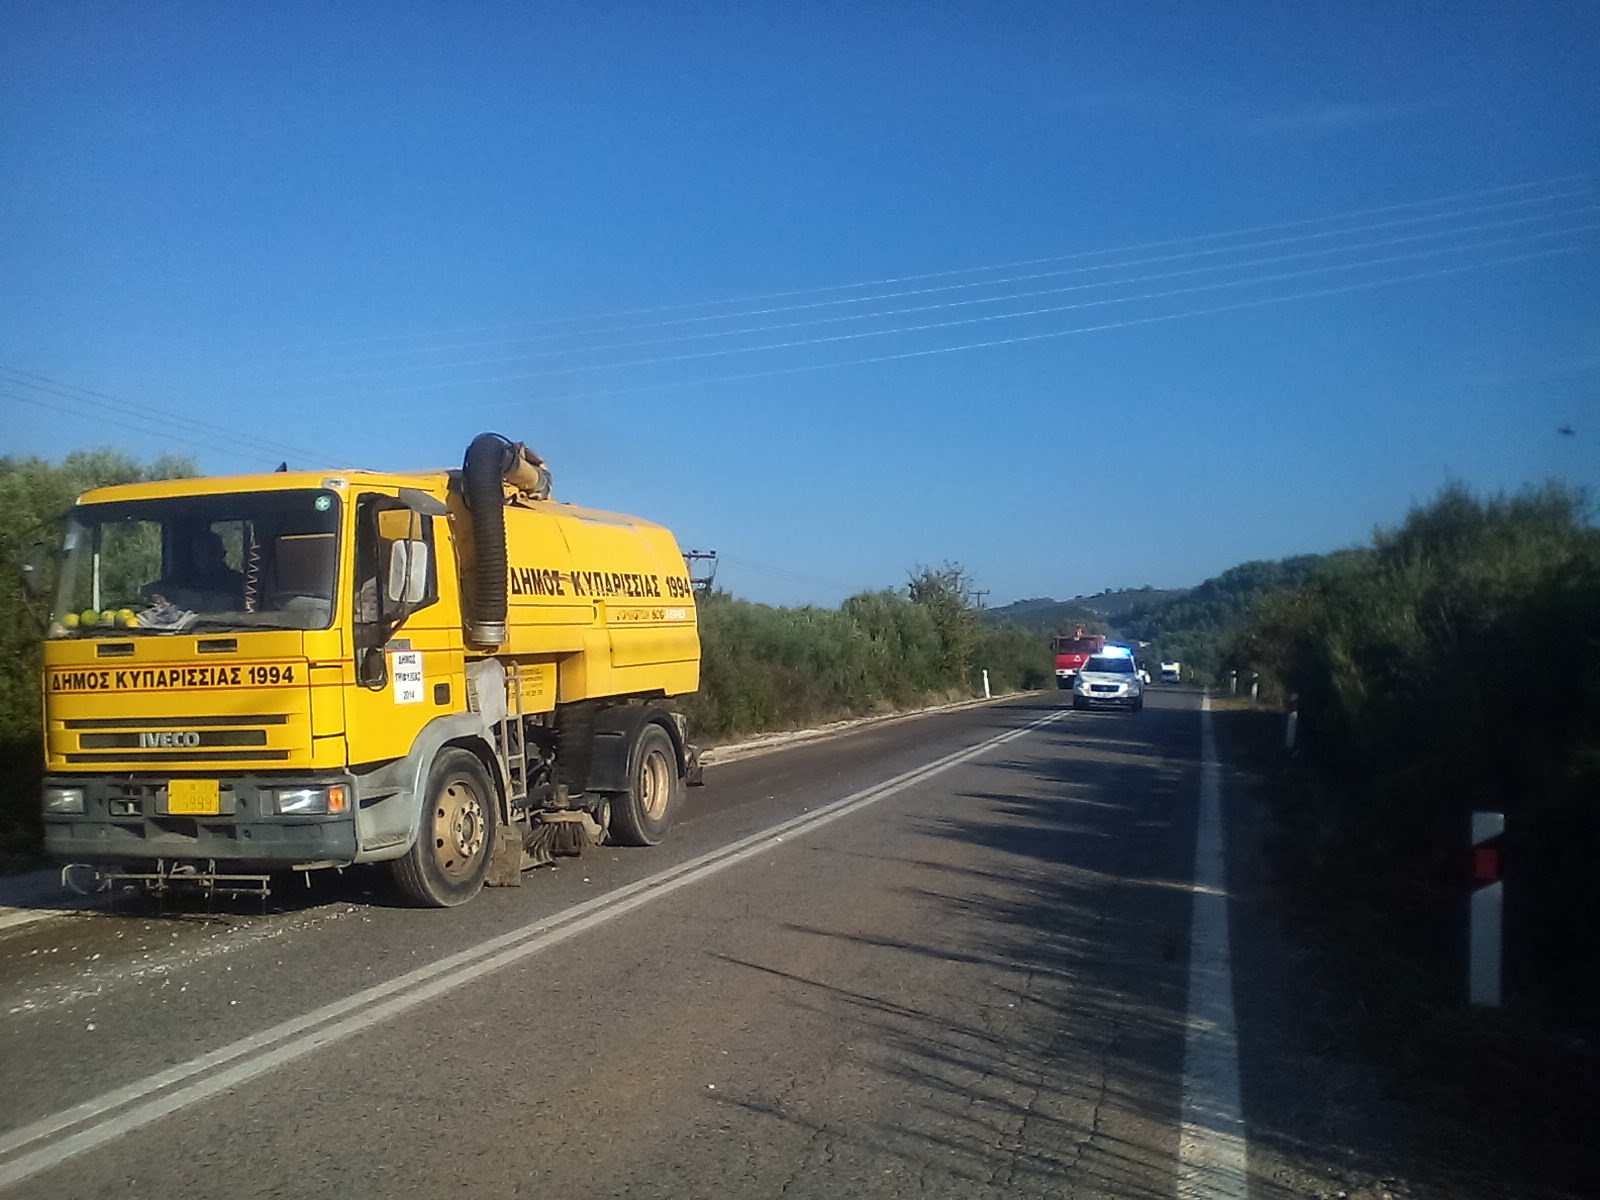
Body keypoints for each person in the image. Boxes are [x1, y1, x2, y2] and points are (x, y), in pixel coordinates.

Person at [144, 526, 245, 612]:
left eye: (209, 552)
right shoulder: (182, 579)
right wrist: (157, 596)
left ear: (222, 554)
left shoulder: (237, 582)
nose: (204, 557)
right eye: (199, 552)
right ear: (193, 554)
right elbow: (150, 590)